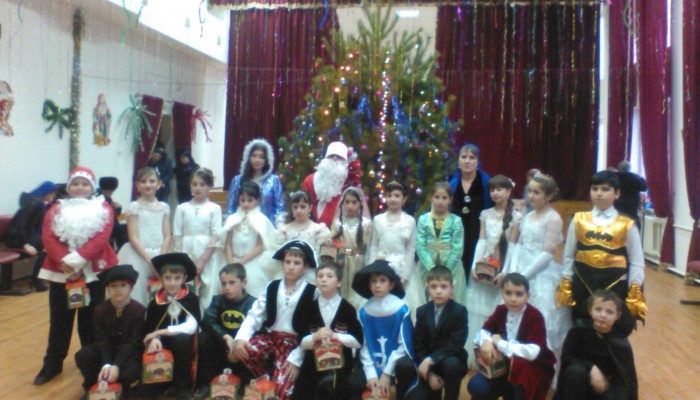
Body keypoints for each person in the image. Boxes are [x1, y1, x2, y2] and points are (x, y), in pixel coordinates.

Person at [34, 167, 118, 385]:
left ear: (92, 187)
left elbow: (101, 237)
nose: (80, 188)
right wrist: (66, 265)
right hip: (61, 271)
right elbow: (48, 236)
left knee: (91, 321)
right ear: (69, 187)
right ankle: (52, 364)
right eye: (76, 184)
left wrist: (77, 261)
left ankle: (91, 365)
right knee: (59, 320)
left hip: (92, 272)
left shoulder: (103, 208)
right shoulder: (56, 208)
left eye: (85, 184)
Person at [231, 240, 319, 400]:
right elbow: (255, 315)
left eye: (297, 263)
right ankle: (266, 378)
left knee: (283, 393)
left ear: (306, 266)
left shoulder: (313, 292)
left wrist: (298, 358)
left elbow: (313, 330)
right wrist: (240, 338)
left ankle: (277, 379)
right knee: (246, 349)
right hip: (271, 339)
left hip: (294, 345)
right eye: (287, 262)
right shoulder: (272, 286)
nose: (291, 267)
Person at [558, 170, 646, 328]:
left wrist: (634, 288)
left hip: (614, 285)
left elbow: (637, 261)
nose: (599, 193)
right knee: (580, 326)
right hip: (582, 283)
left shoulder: (627, 224)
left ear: (617, 193)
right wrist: (566, 280)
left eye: (605, 189)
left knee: (612, 329)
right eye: (595, 189)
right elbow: (569, 254)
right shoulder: (578, 219)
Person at [506, 173, 570, 364]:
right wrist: (513, 270)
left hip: (540, 273)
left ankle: (538, 366)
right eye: (530, 191)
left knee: (540, 320)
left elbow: (547, 253)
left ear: (548, 196)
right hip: (520, 269)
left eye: (537, 192)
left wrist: (524, 276)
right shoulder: (528, 216)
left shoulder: (553, 218)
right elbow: (519, 244)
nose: (531, 196)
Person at [467, 273, 556, 400]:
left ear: (528, 296)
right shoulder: (501, 310)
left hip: (528, 369)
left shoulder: (535, 316)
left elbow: (533, 352)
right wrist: (486, 341)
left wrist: (499, 343)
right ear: (502, 293)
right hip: (501, 366)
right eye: (508, 293)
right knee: (476, 386)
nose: (513, 299)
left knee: (519, 376)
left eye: (519, 294)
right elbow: (482, 332)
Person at [466, 175, 522, 366]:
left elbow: (513, 246)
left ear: (508, 191)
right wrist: (474, 265)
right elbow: (481, 241)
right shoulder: (485, 214)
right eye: (492, 190)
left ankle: (497, 359)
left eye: (499, 189)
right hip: (485, 268)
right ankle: (478, 355)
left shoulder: (516, 216)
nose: (495, 193)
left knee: (496, 311)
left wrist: (505, 272)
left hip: (502, 270)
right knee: (479, 310)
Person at [293, 260, 363, 400]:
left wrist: (337, 336)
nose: (324, 279)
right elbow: (301, 341)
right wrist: (315, 337)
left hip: (341, 365)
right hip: (312, 363)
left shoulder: (348, 309)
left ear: (339, 282)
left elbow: (358, 341)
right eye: (320, 276)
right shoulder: (309, 308)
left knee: (335, 388)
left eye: (329, 276)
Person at [347, 260, 417, 400]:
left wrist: (387, 373)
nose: (377, 285)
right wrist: (371, 374)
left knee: (406, 368)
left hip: (396, 363)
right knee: (353, 383)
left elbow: (404, 345)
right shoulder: (364, 312)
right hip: (371, 363)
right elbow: (364, 346)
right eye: (373, 281)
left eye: (382, 281)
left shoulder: (401, 310)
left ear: (391, 285)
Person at [74, 264, 146, 400]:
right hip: (107, 352)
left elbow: (133, 342)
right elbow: (101, 339)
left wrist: (116, 365)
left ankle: (120, 389)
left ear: (131, 287)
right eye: (113, 286)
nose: (118, 289)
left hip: (128, 355)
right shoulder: (100, 310)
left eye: (123, 285)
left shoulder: (139, 310)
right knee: (83, 355)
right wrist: (106, 364)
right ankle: (92, 386)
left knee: (128, 373)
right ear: (108, 288)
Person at [554, 290, 638, 400]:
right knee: (575, 371)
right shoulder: (578, 331)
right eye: (598, 309)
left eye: (609, 312)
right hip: (579, 383)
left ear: (617, 316)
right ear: (590, 310)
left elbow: (626, 379)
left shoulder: (620, 342)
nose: (603, 315)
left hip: (604, 389)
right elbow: (567, 358)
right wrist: (591, 368)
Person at [142, 253, 201, 400]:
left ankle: (182, 387)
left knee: (181, 339)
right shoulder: (155, 302)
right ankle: (162, 385)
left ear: (184, 278)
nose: (172, 283)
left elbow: (191, 327)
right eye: (167, 278)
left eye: (177, 278)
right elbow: (149, 329)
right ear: (161, 279)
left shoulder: (190, 298)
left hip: (185, 342)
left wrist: (160, 332)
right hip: (162, 342)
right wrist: (154, 339)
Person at [193, 263, 256, 400]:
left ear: (244, 282)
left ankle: (245, 384)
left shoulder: (253, 303)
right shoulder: (218, 300)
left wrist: (238, 345)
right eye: (224, 283)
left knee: (257, 343)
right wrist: (225, 336)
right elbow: (207, 321)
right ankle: (206, 383)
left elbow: (258, 329)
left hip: (242, 349)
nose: (227, 287)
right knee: (203, 337)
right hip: (222, 346)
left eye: (232, 283)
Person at [407, 266, 468, 400]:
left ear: (452, 288)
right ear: (427, 288)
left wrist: (431, 359)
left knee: (451, 365)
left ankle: (451, 396)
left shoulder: (460, 311)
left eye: (443, 286)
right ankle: (432, 387)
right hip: (430, 367)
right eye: (434, 286)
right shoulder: (422, 311)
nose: (438, 291)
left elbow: (456, 344)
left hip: (452, 361)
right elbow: (418, 345)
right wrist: (430, 374)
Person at [117, 167, 171, 306]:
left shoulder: (164, 207)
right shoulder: (134, 207)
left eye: (152, 181)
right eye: (143, 181)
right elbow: (133, 237)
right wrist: (150, 261)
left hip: (160, 253)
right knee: (138, 294)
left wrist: (160, 260)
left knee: (160, 294)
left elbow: (167, 236)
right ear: (137, 185)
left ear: (159, 184)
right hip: (138, 255)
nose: (148, 185)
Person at [172, 168, 224, 311]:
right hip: (186, 251)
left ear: (209, 187)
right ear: (190, 186)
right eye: (194, 184)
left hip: (208, 253)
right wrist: (180, 259)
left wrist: (203, 260)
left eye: (202, 184)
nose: (198, 188)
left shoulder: (214, 208)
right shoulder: (182, 208)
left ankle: (205, 319)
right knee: (187, 287)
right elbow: (177, 235)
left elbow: (216, 234)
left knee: (208, 290)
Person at [412, 181, 467, 307]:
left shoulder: (456, 220)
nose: (440, 201)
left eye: (444, 198)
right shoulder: (423, 219)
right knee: (423, 299)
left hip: (451, 266)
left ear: (450, 199)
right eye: (436, 197)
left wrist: (447, 270)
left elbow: (458, 247)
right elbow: (420, 245)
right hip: (426, 265)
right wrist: (432, 268)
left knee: (452, 301)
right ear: (430, 197)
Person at [368, 181, 419, 311]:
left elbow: (410, 249)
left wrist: (405, 276)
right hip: (381, 265)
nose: (393, 199)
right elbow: (374, 246)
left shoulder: (409, 221)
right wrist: (372, 268)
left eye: (397, 196)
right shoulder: (378, 220)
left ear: (404, 198)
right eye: (389, 195)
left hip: (401, 266)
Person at [221, 181, 279, 297]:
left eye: (250, 200)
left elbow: (261, 246)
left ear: (258, 200)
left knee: (253, 291)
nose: (246, 204)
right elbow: (228, 244)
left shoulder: (262, 220)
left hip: (252, 261)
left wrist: (241, 262)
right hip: (232, 260)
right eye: (242, 200)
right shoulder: (232, 219)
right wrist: (231, 264)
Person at [3, 180, 58, 291]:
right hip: (16, 238)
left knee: (50, 243)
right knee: (48, 246)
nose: (53, 196)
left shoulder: (37, 202)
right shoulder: (35, 204)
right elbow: (21, 225)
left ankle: (37, 278)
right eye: (52, 193)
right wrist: (25, 245)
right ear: (46, 192)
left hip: (22, 236)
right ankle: (36, 279)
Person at [449, 143, 493, 282]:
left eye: (472, 158)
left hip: (478, 234)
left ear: (478, 161)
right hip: (455, 235)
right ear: (458, 160)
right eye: (464, 157)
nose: (467, 161)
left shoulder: (486, 182)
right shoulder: (451, 181)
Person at [225, 138, 286, 225]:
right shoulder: (237, 181)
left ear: (266, 160)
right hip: (243, 227)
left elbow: (279, 207)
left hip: (267, 226)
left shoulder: (274, 181)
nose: (257, 160)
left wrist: (279, 225)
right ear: (248, 157)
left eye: (261, 157)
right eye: (254, 156)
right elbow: (231, 208)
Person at [331, 186, 372, 310]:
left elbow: (370, 247)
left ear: (360, 203)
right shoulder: (337, 223)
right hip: (343, 264)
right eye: (347, 202)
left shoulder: (366, 224)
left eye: (354, 202)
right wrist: (342, 255)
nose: (350, 206)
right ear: (342, 203)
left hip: (360, 263)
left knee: (358, 294)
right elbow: (334, 247)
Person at [276, 189, 331, 283]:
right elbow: (279, 255)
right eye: (295, 207)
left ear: (310, 208)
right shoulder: (284, 230)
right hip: (288, 272)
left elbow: (324, 257)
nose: (298, 210)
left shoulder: (319, 230)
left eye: (302, 207)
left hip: (310, 273)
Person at [301, 141, 352, 228]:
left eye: (339, 157)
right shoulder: (310, 180)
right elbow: (302, 205)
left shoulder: (349, 183)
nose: (334, 158)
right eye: (331, 156)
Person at [615, 161, 647, 227]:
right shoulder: (634, 177)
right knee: (632, 224)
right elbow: (644, 187)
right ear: (629, 168)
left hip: (616, 203)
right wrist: (640, 177)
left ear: (619, 168)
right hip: (631, 204)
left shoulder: (614, 177)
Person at [98, 176, 127, 251]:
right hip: (104, 227)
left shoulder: (107, 198)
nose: (111, 193)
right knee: (120, 228)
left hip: (110, 225)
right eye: (110, 191)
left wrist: (118, 208)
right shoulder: (99, 199)